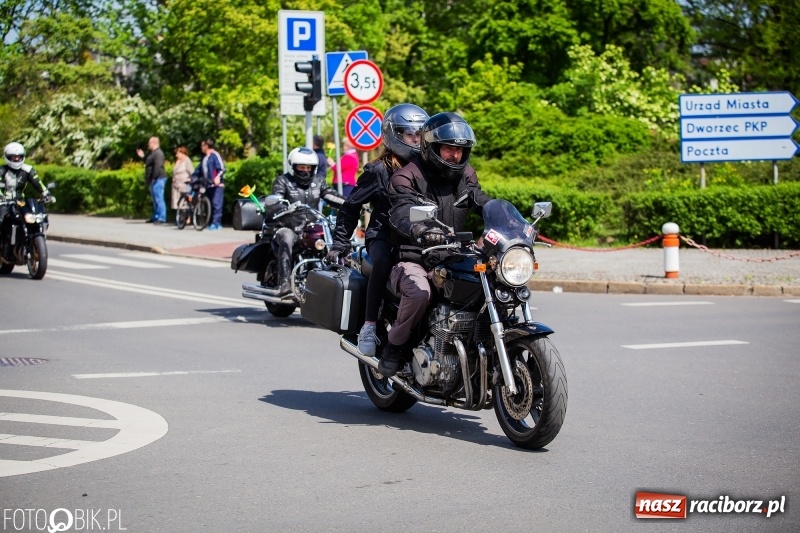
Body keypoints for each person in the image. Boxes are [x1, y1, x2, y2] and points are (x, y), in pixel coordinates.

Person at [380, 112, 492, 377]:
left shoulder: (465, 175)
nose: (455, 156)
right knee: (420, 293)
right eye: (449, 149)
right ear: (431, 147)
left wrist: (510, 218)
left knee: (496, 287)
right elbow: (401, 210)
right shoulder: (407, 176)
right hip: (414, 257)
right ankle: (395, 346)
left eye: (460, 150)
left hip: (455, 255)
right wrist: (420, 228)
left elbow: (481, 199)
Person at [325, 103, 429, 356]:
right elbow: (351, 206)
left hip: (419, 238)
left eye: (420, 135)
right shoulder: (379, 171)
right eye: (409, 134)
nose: (416, 140)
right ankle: (370, 325)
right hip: (384, 235)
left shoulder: (430, 168)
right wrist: (340, 242)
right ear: (394, 134)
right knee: (382, 261)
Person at [271, 147, 345, 294]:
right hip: (289, 227)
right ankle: (284, 282)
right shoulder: (283, 181)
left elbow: (331, 195)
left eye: (308, 167)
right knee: (286, 237)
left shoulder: (318, 182)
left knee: (334, 238)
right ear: (293, 167)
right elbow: (275, 200)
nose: (305, 170)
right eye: (301, 167)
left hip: (310, 228)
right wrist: (280, 207)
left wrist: (352, 204)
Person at [1, 142, 55, 251]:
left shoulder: (28, 170)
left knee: (36, 216)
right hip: (4, 202)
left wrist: (47, 194)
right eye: (13, 157)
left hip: (20, 202)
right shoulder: (2, 170)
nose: (16, 159)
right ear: (7, 157)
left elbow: (38, 184)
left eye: (18, 157)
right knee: (1, 220)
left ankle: (30, 238)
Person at [191, 138, 225, 230]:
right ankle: (211, 222)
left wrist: (217, 177)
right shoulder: (205, 158)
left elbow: (221, 168)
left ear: (206, 146)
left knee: (216, 204)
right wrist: (192, 177)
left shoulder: (215, 155)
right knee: (209, 203)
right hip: (208, 185)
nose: (201, 147)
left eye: (202, 145)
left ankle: (217, 223)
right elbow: (199, 170)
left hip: (216, 185)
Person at [137, 137, 166, 224]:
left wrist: (154, 177)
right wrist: (142, 156)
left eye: (149, 143)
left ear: (154, 143)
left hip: (158, 178)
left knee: (159, 198)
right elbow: (148, 162)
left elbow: (158, 166)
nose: (148, 145)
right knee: (154, 199)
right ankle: (156, 216)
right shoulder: (152, 153)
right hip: (153, 179)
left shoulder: (158, 153)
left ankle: (162, 217)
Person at [171, 146, 194, 211]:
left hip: (184, 184)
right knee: (178, 203)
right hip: (176, 185)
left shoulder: (187, 160)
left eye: (178, 153)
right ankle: (180, 217)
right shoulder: (177, 161)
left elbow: (191, 172)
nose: (176, 155)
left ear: (182, 153)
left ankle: (187, 218)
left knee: (185, 203)